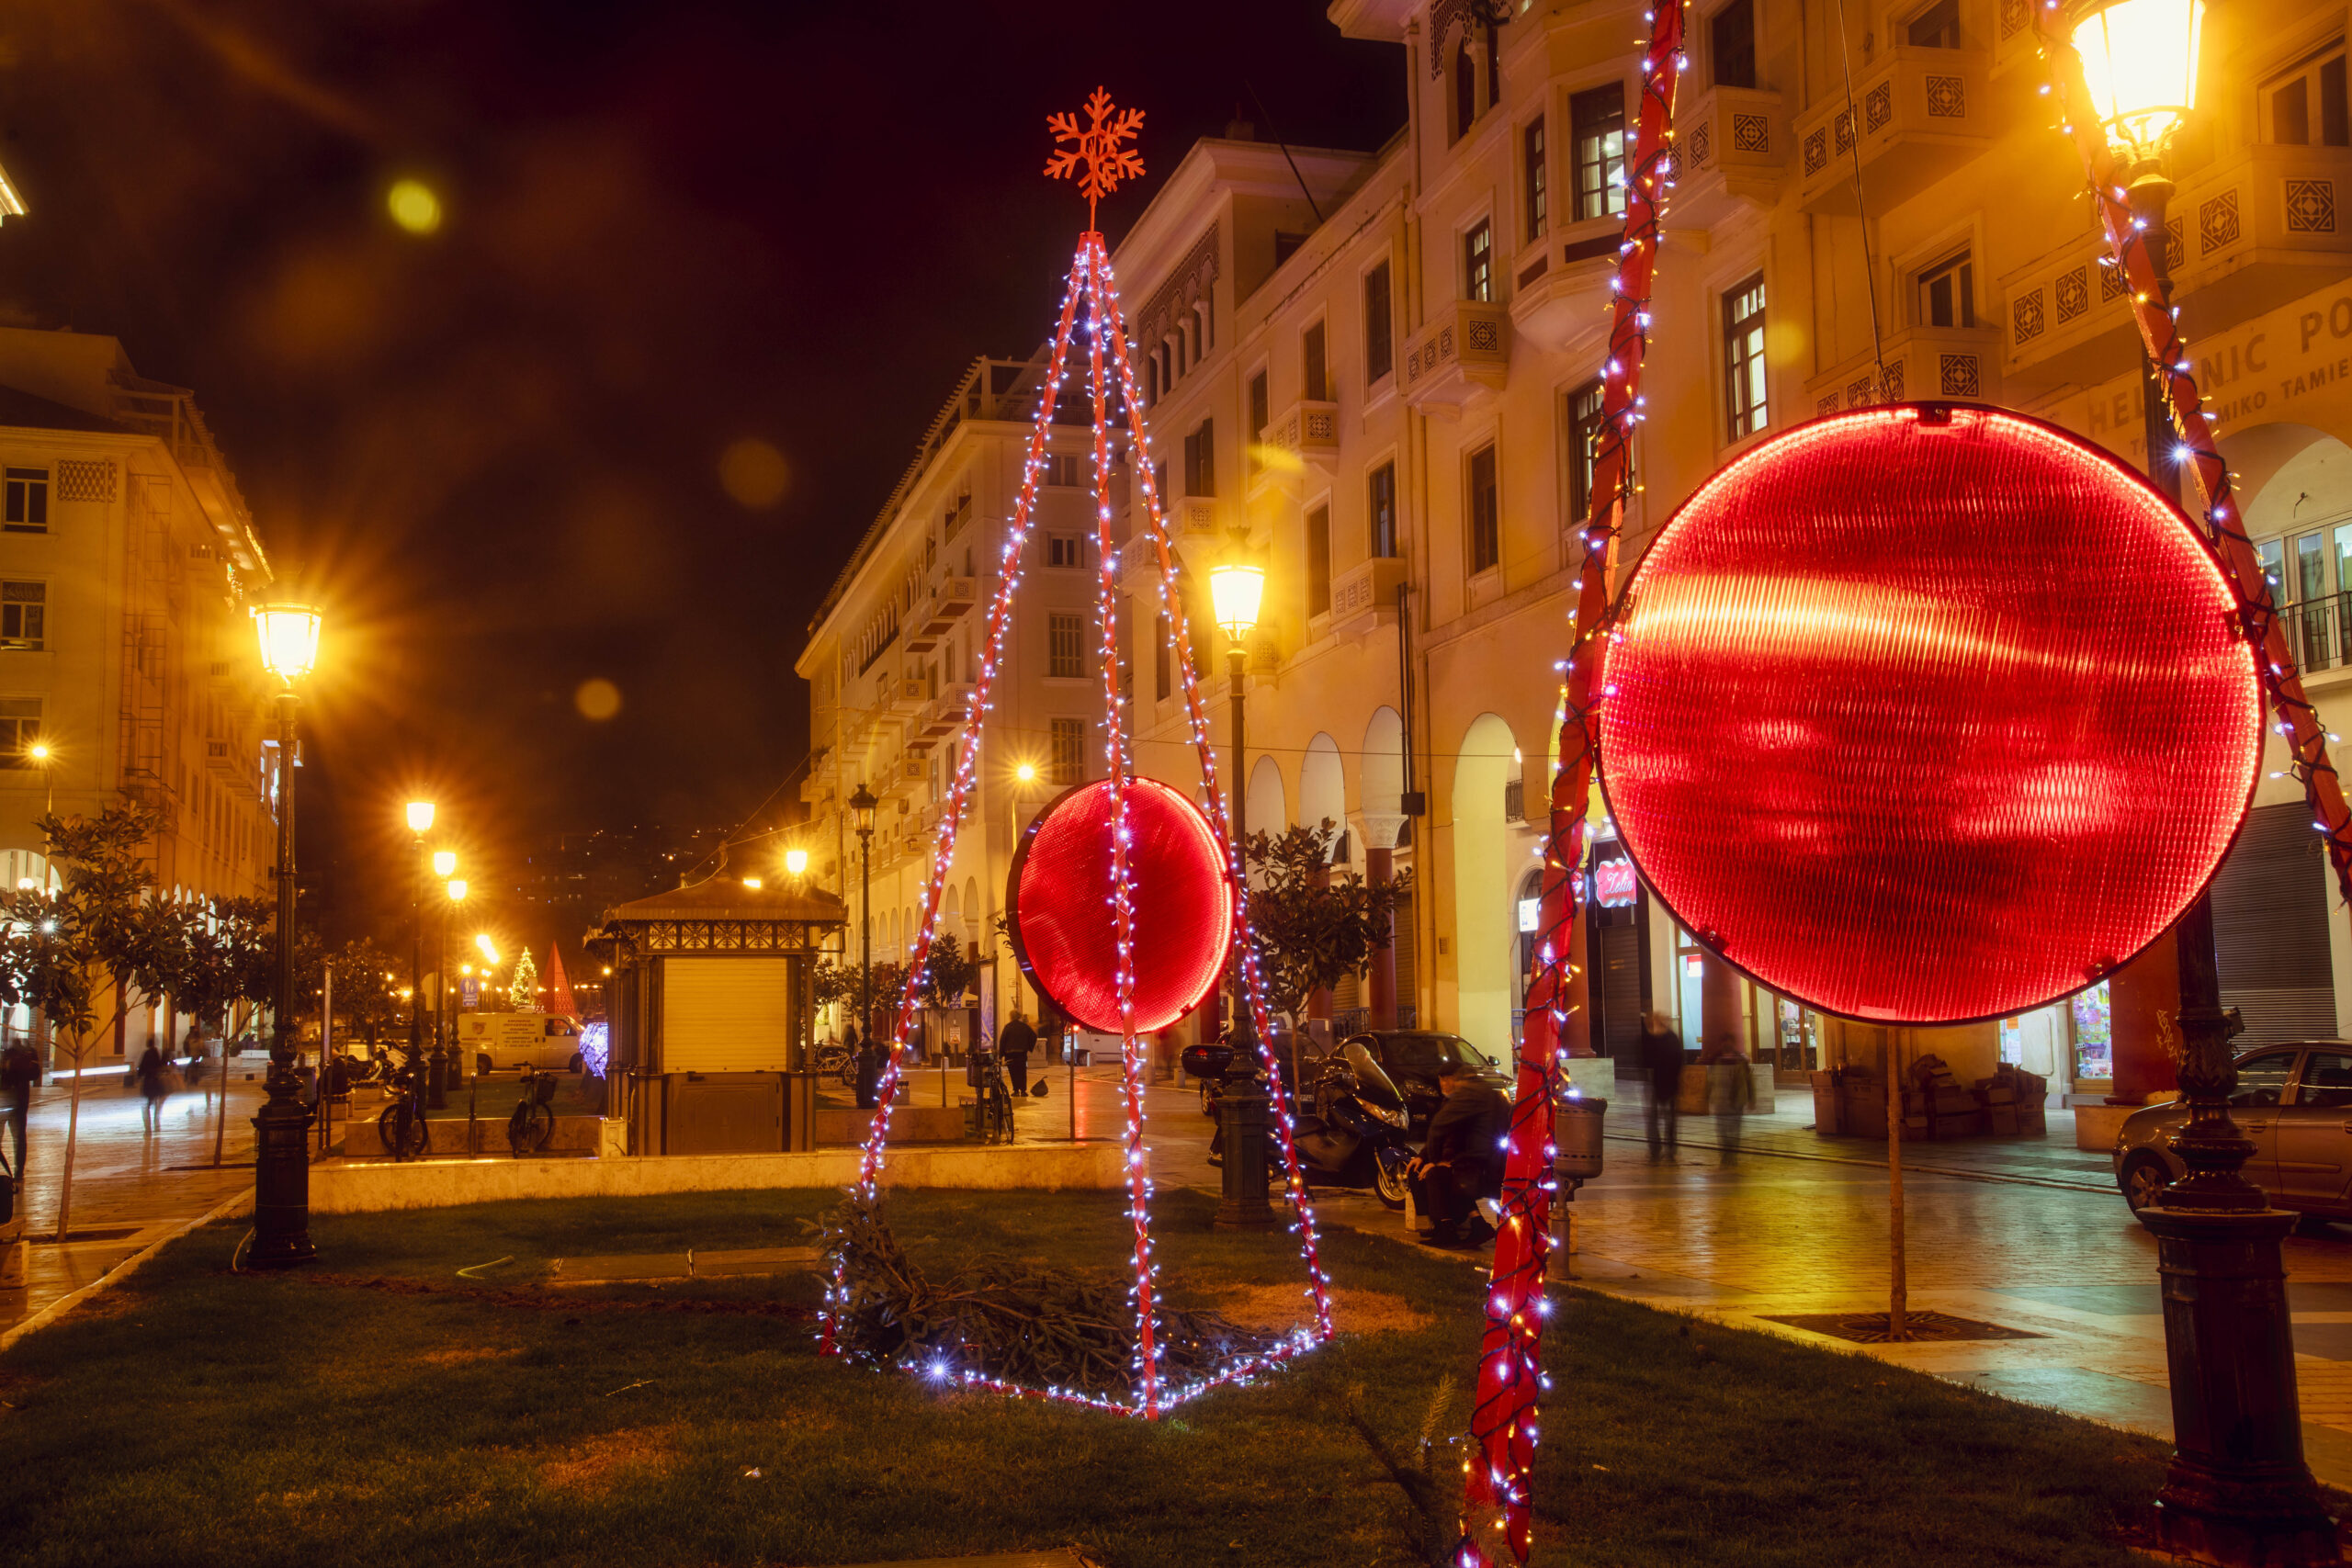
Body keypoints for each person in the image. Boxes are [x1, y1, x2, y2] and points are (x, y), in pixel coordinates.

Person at [1405, 1058, 1510, 1248]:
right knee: (1418, 1170)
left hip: (1474, 1163)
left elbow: (1445, 1132)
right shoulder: (1476, 1095)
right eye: (1441, 1080)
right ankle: (1446, 1225)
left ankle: (1447, 1228)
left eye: (1449, 1079)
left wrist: (1439, 1161)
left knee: (1436, 1176)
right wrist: (1422, 1157)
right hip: (1479, 1161)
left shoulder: (1466, 1097)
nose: (1444, 1084)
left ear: (1459, 1079)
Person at [1640, 1011, 1684, 1161]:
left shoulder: (1666, 1039)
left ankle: (1664, 1148)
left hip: (1666, 1083)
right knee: (1660, 1119)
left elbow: (1646, 1060)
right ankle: (1661, 1148)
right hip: (1659, 1083)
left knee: (1664, 1119)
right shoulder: (1661, 1038)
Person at [1704, 1043, 1755, 1168]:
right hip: (1721, 1102)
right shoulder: (1718, 1063)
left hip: (1735, 1103)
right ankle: (1726, 1155)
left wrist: (1751, 1099)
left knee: (1732, 1130)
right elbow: (1710, 1081)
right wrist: (1707, 1095)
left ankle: (1731, 1155)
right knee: (1724, 1131)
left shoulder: (1740, 1063)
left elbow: (1749, 1082)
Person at [1, 1034, 36, 1179]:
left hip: (8, 1104)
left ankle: (16, 1172)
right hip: (17, 1104)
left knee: (18, 1139)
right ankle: (18, 1173)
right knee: (19, 1139)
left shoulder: (9, 1057)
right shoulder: (25, 1056)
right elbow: (34, 1074)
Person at [997, 1009, 1036, 1098]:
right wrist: (1029, 1047)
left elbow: (1002, 1041)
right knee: (1022, 1072)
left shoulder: (1008, 1027)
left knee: (1013, 1073)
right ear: (1019, 1016)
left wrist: (1001, 1055)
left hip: (1010, 1054)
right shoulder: (1025, 1026)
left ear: (1011, 1016)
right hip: (1021, 1054)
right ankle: (1023, 1091)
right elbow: (1034, 1036)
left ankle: (1016, 1090)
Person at [136, 1042, 167, 1135]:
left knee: (150, 1096)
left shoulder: (147, 1053)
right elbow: (160, 1064)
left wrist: (139, 1075)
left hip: (149, 1078)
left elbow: (142, 1065)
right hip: (155, 1078)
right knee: (155, 1095)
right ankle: (155, 1116)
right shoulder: (156, 1053)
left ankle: (150, 1106)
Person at [853, 1029, 884, 1111]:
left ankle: (866, 1101)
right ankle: (871, 1099)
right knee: (877, 1082)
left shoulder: (875, 1051)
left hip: (876, 1068)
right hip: (879, 1068)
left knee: (875, 1081)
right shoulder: (877, 1051)